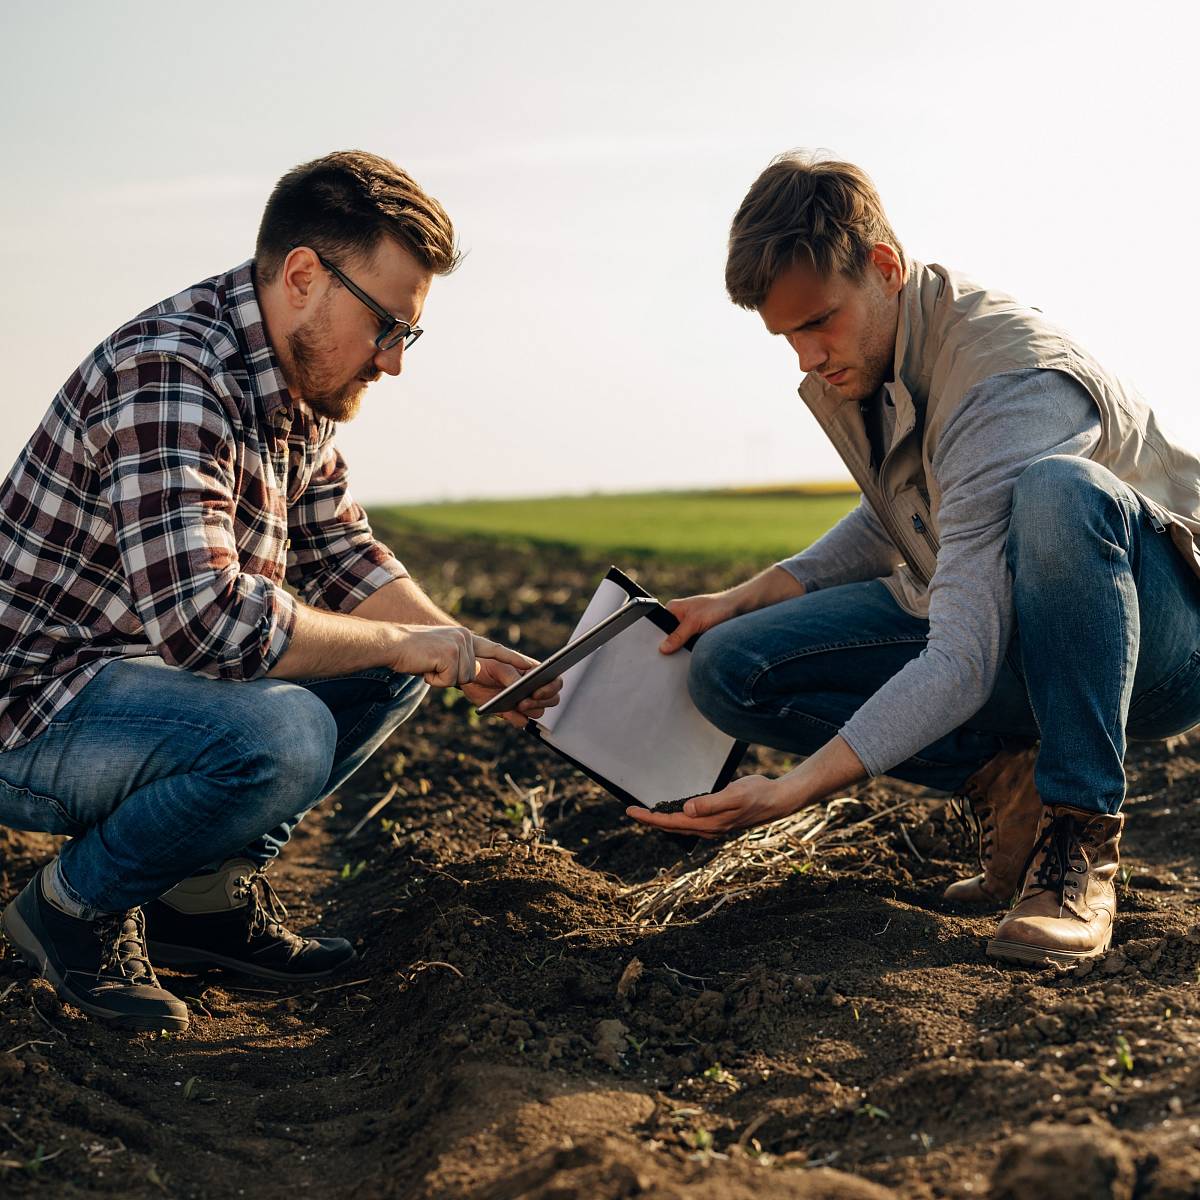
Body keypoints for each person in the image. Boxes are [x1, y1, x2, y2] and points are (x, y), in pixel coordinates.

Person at [0, 150, 559, 1032]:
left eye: (407, 335)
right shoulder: (173, 374)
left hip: (131, 688)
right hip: (35, 711)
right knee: (285, 729)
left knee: (393, 667)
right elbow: (209, 627)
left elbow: (343, 551)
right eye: (387, 326)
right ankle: (71, 909)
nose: (394, 361)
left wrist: (470, 655)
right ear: (304, 276)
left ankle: (201, 902)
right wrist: (403, 644)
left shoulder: (297, 384)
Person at [630, 153, 1200, 968]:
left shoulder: (1008, 379)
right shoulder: (881, 348)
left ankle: (1078, 841)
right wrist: (747, 595)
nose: (806, 356)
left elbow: (963, 657)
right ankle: (1012, 784)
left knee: (1058, 494)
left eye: (817, 321)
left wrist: (793, 791)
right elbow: (900, 510)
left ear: (884, 267)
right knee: (731, 665)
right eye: (786, 336)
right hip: (1019, 623)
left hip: (1162, 639)